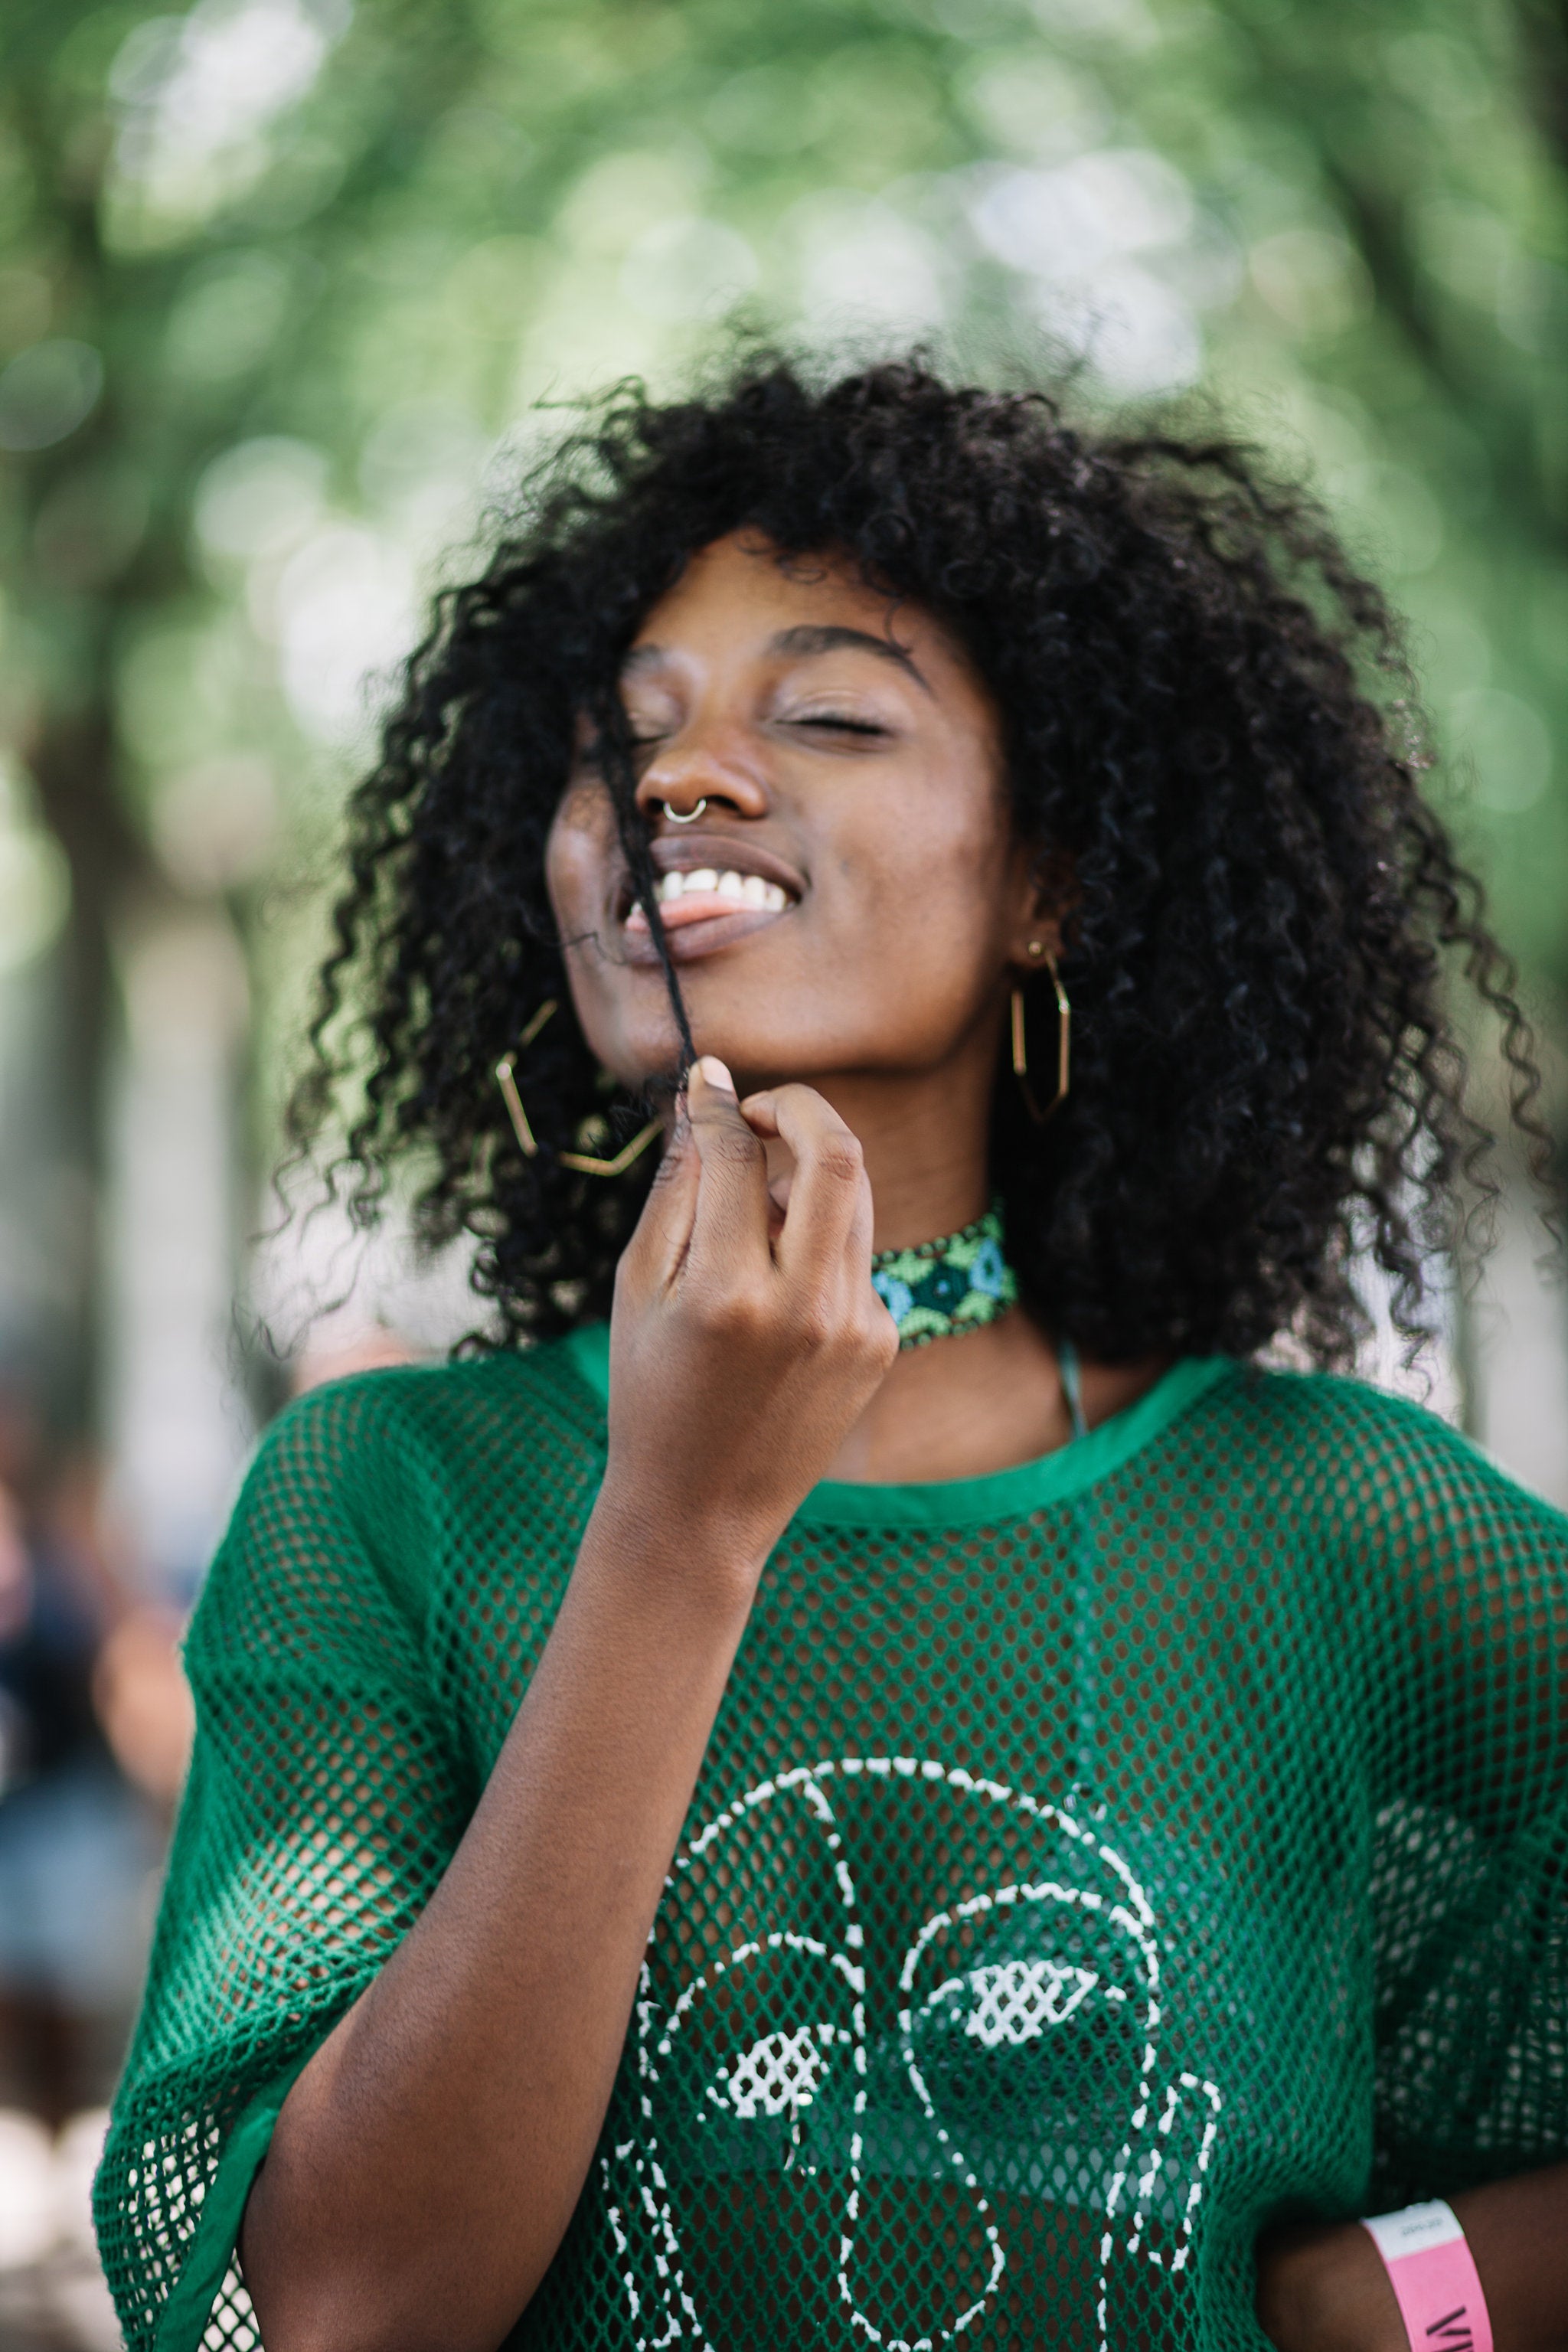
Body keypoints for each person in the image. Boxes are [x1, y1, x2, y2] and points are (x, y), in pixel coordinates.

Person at [95, 358, 1567, 2352]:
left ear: (1049, 880)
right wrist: (678, 1524)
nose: (679, 780)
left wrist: (1405, 2300)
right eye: (626, 739)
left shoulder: (1346, 1530)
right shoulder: (388, 1500)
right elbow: (340, 2306)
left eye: (835, 714)